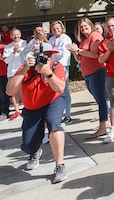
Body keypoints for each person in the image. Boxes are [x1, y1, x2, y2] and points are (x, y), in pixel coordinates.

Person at [6, 42, 68, 184]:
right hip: (33, 107)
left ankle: (60, 165)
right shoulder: (25, 69)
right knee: (28, 144)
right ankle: (34, 152)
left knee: (54, 124)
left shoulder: (54, 66)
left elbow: (60, 88)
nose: (46, 58)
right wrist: (26, 67)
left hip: (53, 101)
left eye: (48, 55)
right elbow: (10, 91)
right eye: (42, 56)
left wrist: (48, 73)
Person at [67, 18, 109, 139]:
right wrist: (75, 52)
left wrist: (78, 50)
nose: (83, 28)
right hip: (88, 73)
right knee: (99, 100)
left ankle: (102, 128)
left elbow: (95, 54)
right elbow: (79, 59)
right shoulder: (84, 40)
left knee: (101, 100)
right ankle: (105, 123)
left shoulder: (95, 35)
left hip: (97, 71)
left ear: (90, 26)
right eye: (81, 27)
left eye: (85, 26)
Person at [48, 21, 74, 125]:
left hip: (62, 66)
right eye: (54, 29)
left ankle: (68, 115)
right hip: (53, 67)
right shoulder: (51, 39)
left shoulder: (65, 38)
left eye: (58, 28)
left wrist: (54, 56)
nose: (56, 31)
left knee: (64, 90)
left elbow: (63, 53)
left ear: (62, 28)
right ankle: (59, 114)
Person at [4, 28, 29, 121]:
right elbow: (6, 60)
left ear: (20, 34)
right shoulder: (7, 47)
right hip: (12, 72)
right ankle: (17, 110)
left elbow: (27, 56)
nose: (16, 36)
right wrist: (13, 52)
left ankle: (27, 107)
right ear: (11, 36)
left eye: (17, 34)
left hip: (23, 71)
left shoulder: (25, 43)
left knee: (25, 90)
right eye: (14, 35)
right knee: (13, 92)